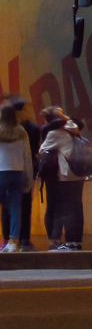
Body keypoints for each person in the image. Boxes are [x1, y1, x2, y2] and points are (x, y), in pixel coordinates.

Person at [39, 106, 86, 250]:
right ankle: (76, 242)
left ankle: (62, 242)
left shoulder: (55, 133)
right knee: (77, 207)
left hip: (66, 174)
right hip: (79, 173)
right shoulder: (74, 128)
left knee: (65, 209)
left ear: (48, 120)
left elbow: (42, 150)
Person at [0, 98, 35, 253]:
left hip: (1, 172)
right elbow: (27, 157)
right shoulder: (21, 132)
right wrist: (29, 179)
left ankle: (4, 240)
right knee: (15, 207)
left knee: (3, 206)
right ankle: (14, 241)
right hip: (17, 173)